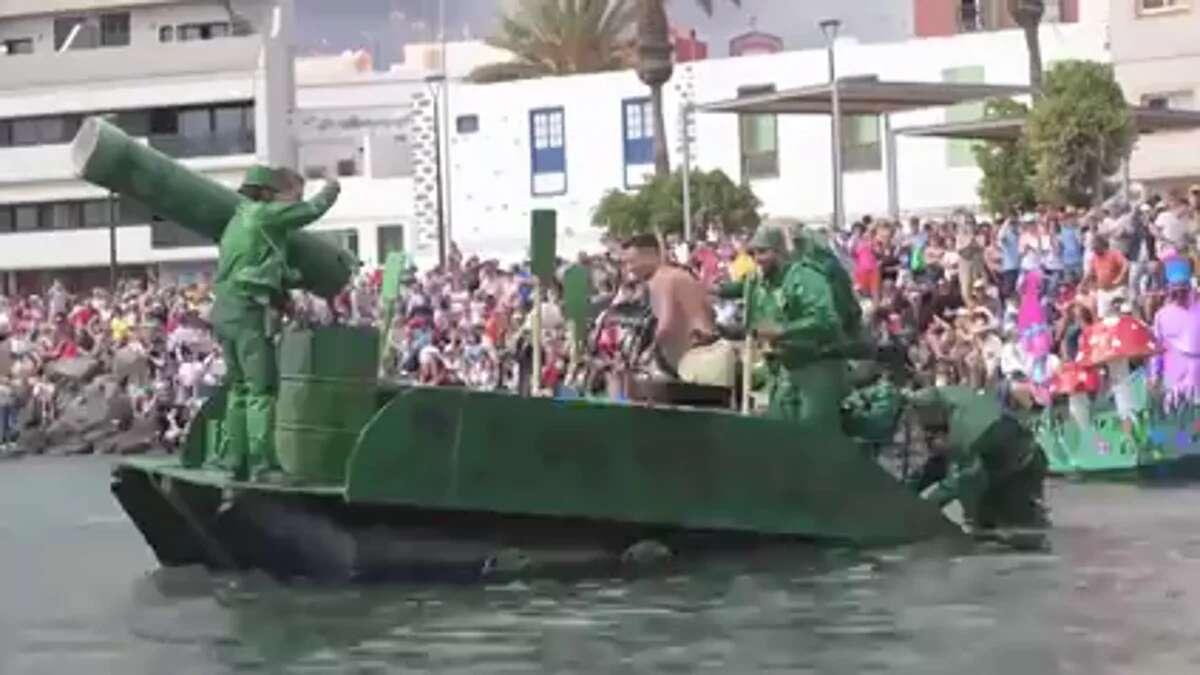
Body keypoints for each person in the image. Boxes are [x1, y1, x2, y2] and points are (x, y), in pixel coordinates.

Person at [209, 165, 340, 481]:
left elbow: (253, 266)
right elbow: (310, 211)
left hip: (224, 311)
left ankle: (233, 461)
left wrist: (282, 296)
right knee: (261, 390)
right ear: (268, 193)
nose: (292, 200)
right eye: (289, 194)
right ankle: (262, 465)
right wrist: (332, 188)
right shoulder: (264, 215)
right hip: (248, 313)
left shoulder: (236, 221)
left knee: (238, 388)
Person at [906, 385, 1049, 533]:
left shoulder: (963, 430)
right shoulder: (963, 397)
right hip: (1018, 453)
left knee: (972, 484)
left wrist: (924, 508)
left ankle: (996, 518)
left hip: (1010, 460)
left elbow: (958, 480)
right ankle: (1014, 515)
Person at [743, 227, 847, 424]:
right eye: (753, 253)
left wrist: (782, 331)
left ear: (779, 251)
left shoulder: (805, 277)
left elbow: (825, 319)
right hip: (784, 371)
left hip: (818, 368)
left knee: (813, 438)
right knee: (778, 435)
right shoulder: (763, 284)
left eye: (763, 251)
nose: (757, 258)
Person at [619, 235, 735, 388]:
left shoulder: (659, 279)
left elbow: (667, 324)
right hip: (720, 355)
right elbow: (710, 312)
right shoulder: (682, 275)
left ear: (650, 255)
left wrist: (646, 353)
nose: (629, 269)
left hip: (697, 363)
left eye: (631, 262)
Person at [1084, 235, 1128, 318]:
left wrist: (1120, 277)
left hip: (1116, 289)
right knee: (1103, 317)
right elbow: (1090, 273)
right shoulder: (1094, 258)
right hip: (1103, 291)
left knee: (1123, 314)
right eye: (1093, 248)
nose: (1094, 250)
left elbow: (1125, 265)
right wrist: (1083, 283)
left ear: (1102, 245)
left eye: (1096, 248)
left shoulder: (1114, 254)